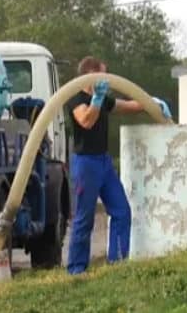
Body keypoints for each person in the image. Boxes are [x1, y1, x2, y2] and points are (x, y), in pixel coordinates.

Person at [65, 56, 171, 275]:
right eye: (104, 74)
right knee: (84, 219)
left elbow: (128, 106)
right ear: (91, 75)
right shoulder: (76, 99)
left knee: (121, 210)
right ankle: (76, 269)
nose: (108, 79)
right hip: (86, 164)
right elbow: (86, 121)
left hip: (103, 162)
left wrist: (151, 102)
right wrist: (96, 100)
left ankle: (118, 263)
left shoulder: (103, 98)